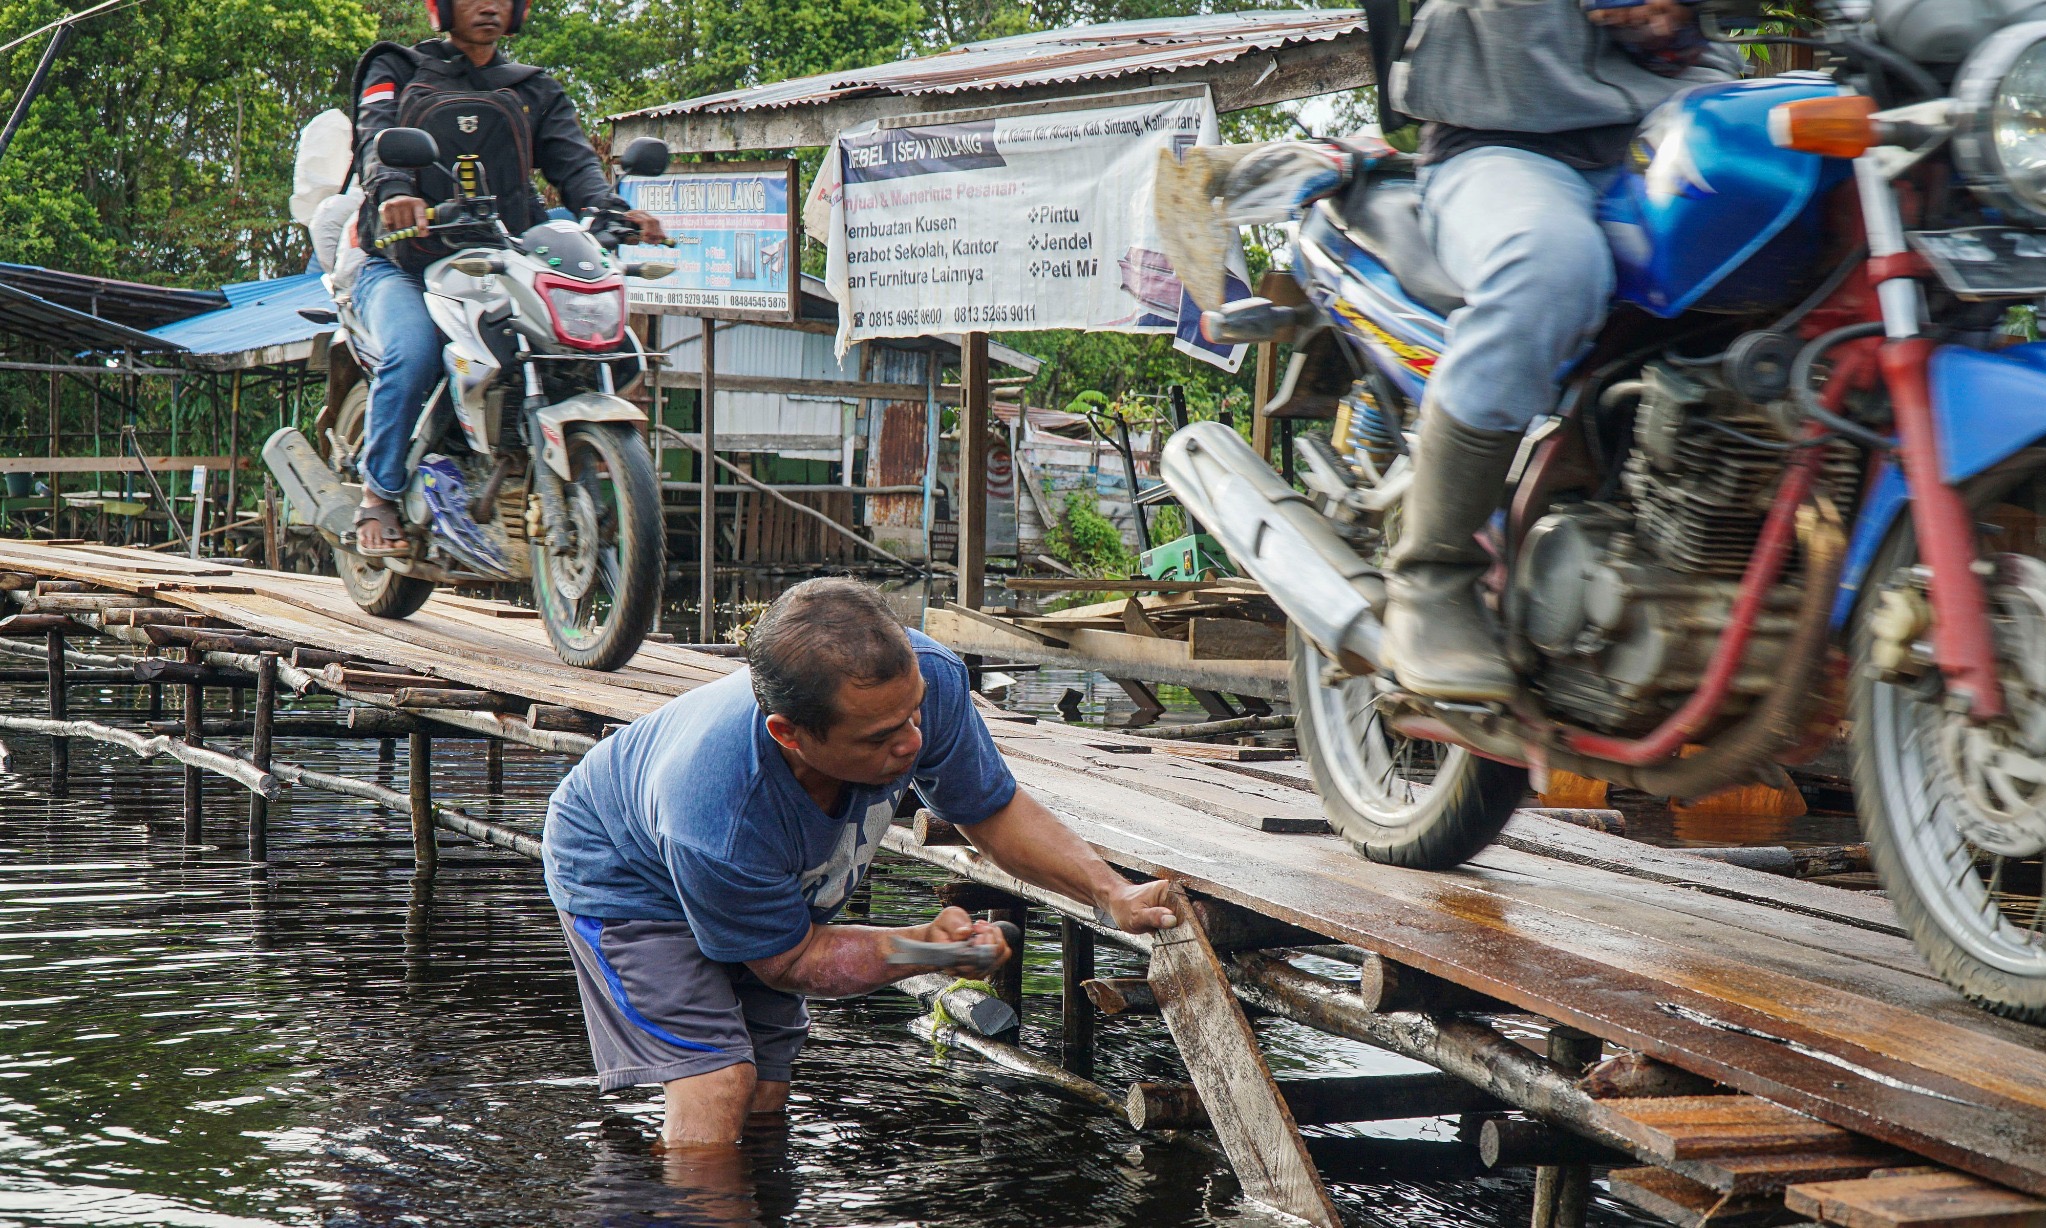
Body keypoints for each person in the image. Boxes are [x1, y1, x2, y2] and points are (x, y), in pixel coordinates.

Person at [541, 578, 1181, 1149]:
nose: (913, 741)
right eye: (879, 737)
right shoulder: (719, 812)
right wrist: (926, 952)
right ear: (790, 735)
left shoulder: (925, 680)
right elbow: (791, 962)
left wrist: (1110, 892)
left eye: (914, 711)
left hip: (752, 866)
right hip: (624, 870)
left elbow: (989, 809)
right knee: (718, 1081)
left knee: (765, 1089)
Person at [1377, 0, 1741, 701]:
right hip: (1504, 141)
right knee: (1550, 267)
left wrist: (1679, 18)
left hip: (1688, 132)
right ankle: (1432, 577)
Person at [347, 0, 666, 554]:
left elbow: (576, 165)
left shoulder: (532, 88)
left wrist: (613, 210)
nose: (488, 5)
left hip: (501, 265)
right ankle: (378, 494)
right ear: (440, 7)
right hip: (403, 263)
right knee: (415, 350)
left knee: (591, 345)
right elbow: (377, 136)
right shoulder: (396, 69)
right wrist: (396, 190)